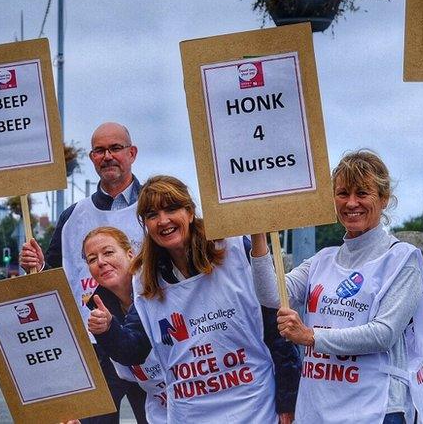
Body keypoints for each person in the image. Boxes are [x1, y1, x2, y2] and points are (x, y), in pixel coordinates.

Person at [89, 175, 299, 423]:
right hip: (190, 412)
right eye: (152, 215)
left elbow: (277, 331)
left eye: (171, 209)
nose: (163, 221)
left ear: (189, 212)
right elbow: (135, 349)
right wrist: (107, 329)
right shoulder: (145, 278)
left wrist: (288, 400)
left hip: (252, 407)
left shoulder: (233, 250)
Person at [250, 149, 423, 424]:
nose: (351, 203)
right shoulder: (322, 259)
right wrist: (258, 235)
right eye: (343, 193)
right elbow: (271, 295)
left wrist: (311, 336)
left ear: (384, 199)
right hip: (319, 408)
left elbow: (383, 334)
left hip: (376, 410)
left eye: (362, 193)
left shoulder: (402, 259)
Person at [19, 122, 145, 424]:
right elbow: (52, 276)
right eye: (100, 150)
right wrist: (35, 267)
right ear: (91, 158)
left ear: (132, 153)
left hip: (151, 345)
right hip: (92, 351)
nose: (108, 156)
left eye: (115, 148)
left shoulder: (155, 206)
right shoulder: (73, 216)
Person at [81, 226, 166, 424]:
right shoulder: (99, 303)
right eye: (92, 259)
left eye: (108, 252)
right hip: (157, 397)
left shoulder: (157, 283)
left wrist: (109, 329)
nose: (101, 262)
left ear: (130, 254)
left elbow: (134, 347)